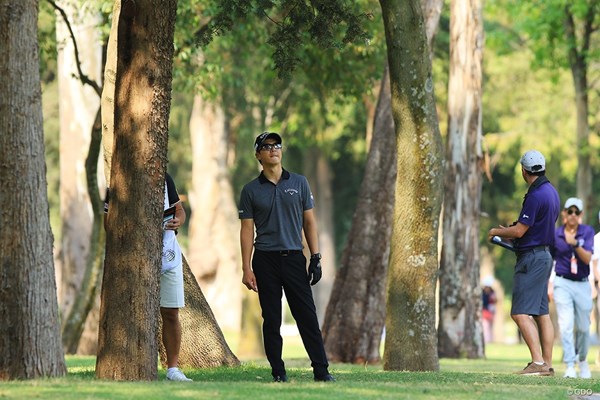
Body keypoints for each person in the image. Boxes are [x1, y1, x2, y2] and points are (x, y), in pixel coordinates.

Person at [238, 132, 334, 383]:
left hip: (293, 258)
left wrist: (315, 257)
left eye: (277, 145)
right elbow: (247, 230)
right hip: (265, 260)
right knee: (271, 319)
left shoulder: (299, 183)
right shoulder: (250, 190)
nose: (273, 150)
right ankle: (278, 372)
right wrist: (246, 268)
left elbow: (309, 221)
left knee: (306, 316)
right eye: (267, 147)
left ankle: (321, 371)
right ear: (259, 155)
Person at [104, 173, 192, 382]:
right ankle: (131, 363)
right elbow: (107, 222)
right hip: (133, 258)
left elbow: (179, 211)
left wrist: (177, 221)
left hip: (168, 254)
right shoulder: (118, 179)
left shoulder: (165, 178)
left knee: (171, 313)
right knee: (135, 312)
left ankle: (173, 369)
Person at [487, 149, 560, 376]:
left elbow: (519, 231)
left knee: (519, 313)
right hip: (545, 254)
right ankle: (546, 364)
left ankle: (537, 363)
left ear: (523, 170)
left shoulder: (535, 194)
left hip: (532, 258)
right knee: (541, 313)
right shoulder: (552, 192)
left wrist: (498, 230)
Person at [549, 197, 594, 378]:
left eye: (577, 212)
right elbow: (550, 261)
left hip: (582, 283)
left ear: (581, 215)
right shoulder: (556, 234)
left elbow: (587, 259)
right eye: (570, 211)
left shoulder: (587, 232)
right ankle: (569, 365)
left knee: (583, 327)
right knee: (566, 325)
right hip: (562, 282)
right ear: (564, 214)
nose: (573, 215)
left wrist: (574, 243)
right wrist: (549, 283)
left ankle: (582, 361)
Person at [481, 275, 497, 344]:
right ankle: (486, 340)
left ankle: (490, 339)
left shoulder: (492, 292)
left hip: (491, 311)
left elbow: (495, 301)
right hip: (485, 311)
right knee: (485, 326)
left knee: (490, 326)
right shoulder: (483, 293)